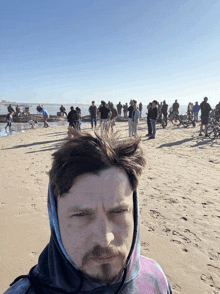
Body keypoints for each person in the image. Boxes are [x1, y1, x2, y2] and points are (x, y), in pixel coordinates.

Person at [5, 129, 172, 294]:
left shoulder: (156, 280)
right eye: (81, 215)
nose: (105, 239)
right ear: (55, 220)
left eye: (119, 211)